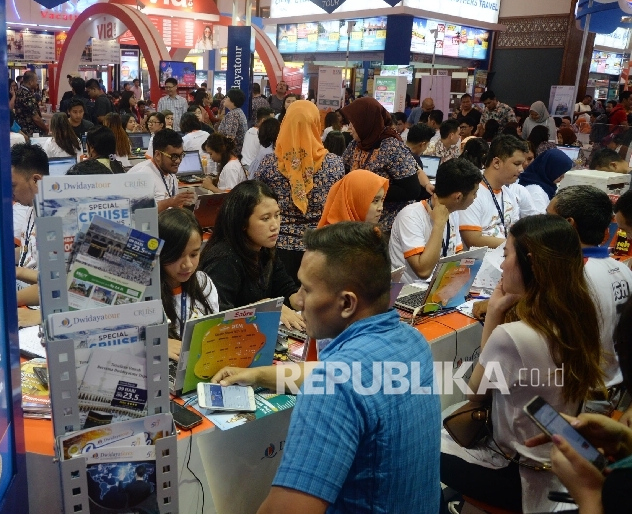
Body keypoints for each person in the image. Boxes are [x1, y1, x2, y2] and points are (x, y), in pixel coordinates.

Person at [219, 222, 441, 514]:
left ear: (346, 303)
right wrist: (257, 374)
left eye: (307, 290)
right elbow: (346, 379)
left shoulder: (334, 383)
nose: (298, 301)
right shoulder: (414, 342)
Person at [441, 215, 605, 513]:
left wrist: (493, 314)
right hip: (559, 464)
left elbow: (474, 391)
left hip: (515, 473)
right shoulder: (579, 318)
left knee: (419, 443)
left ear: (530, 263)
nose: (501, 265)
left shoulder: (514, 335)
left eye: (506, 255)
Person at [548, 185, 632, 406]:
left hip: (582, 396)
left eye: (549, 220)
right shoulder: (623, 269)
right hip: (616, 387)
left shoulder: (571, 276)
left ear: (568, 224)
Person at [256, 101, 345, 285]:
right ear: (316, 124)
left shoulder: (269, 164)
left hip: (277, 247)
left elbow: (255, 201)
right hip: (319, 248)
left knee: (284, 306)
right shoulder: (334, 164)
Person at [199, 180, 304, 330]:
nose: (275, 225)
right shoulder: (224, 259)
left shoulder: (264, 249)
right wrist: (264, 308)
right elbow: (218, 319)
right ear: (242, 223)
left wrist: (306, 297)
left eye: (277, 215)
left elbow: (286, 289)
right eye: (265, 218)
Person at [390, 158, 482, 284]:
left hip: (440, 286)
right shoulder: (410, 216)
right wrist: (439, 224)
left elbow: (456, 254)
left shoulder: (452, 212)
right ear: (458, 197)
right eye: (474, 193)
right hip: (409, 292)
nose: (475, 198)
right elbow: (423, 272)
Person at [340, 97, 421, 232]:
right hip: (360, 223)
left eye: (353, 123)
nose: (349, 128)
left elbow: (412, 190)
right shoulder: (356, 144)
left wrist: (371, 191)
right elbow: (345, 173)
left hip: (388, 225)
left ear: (365, 123)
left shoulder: (391, 147)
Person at [158, 208, 218, 361]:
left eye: (194, 254)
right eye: (178, 256)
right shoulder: (147, 293)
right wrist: (155, 344)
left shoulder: (203, 282)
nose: (188, 265)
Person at [459, 135, 527, 249]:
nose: (521, 169)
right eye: (516, 164)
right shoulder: (471, 192)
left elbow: (514, 232)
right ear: (496, 163)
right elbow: (473, 240)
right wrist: (515, 245)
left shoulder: (509, 193)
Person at [11, 143, 49, 307]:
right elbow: (28, 250)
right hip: (25, 291)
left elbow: (58, 283)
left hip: (39, 302)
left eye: (13, 186)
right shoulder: (30, 209)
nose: (10, 192)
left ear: (36, 180)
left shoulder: (57, 219)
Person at [128, 129, 195, 211]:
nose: (178, 161)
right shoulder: (141, 175)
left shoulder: (171, 173)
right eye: (174, 156)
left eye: (181, 155)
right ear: (158, 155)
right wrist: (168, 203)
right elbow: (139, 213)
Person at [318, 169, 388, 226]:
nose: (380, 208)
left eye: (382, 200)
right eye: (375, 201)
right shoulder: (335, 241)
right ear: (355, 201)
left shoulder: (370, 234)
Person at [15, 70, 48, 136]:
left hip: (21, 129)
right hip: (31, 131)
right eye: (36, 81)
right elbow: (36, 118)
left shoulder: (18, 92)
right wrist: (45, 128)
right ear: (31, 82)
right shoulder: (28, 96)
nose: (37, 83)